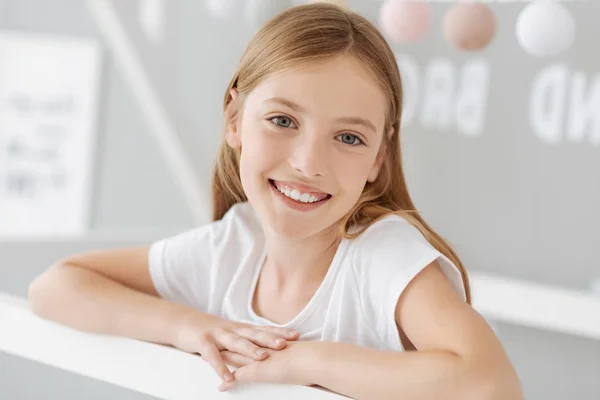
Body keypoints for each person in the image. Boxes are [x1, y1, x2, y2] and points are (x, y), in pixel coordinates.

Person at [28, 3, 522, 399]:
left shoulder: (383, 255)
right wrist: (189, 327)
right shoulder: (231, 246)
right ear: (235, 119)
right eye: (283, 121)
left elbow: (491, 386)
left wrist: (305, 362)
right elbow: (55, 287)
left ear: (378, 158)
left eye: (348, 138)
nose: (309, 163)